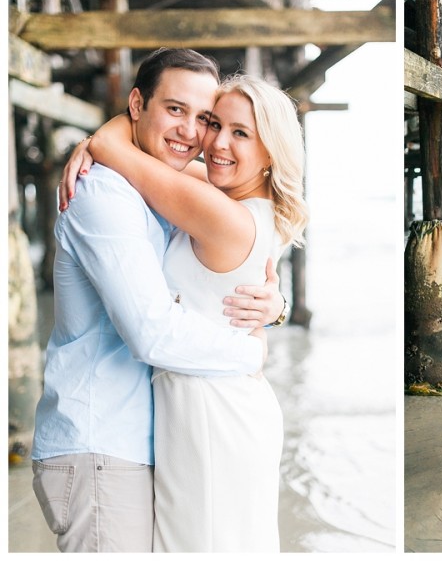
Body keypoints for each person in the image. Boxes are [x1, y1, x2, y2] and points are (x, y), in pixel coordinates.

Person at [32, 49, 284, 553]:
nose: (192, 133)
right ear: (136, 104)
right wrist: (253, 353)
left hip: (148, 443)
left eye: (204, 119)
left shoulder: (158, 188)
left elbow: (230, 258)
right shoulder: (103, 195)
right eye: (174, 109)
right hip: (100, 443)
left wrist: (274, 303)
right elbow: (152, 331)